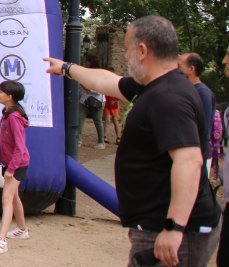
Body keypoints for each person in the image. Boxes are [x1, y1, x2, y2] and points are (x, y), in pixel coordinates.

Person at [45, 16, 222, 267]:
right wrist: (66, 67)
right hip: (155, 223)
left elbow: (190, 161)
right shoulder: (151, 86)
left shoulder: (169, 97)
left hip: (174, 229)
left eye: (128, 50)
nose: (127, 57)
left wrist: (174, 227)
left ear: (142, 51)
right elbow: (106, 81)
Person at [0, 80, 31, 254]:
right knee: (14, 197)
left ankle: (2, 240)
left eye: (1, 91)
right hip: (13, 163)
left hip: (17, 164)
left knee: (6, 199)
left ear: (9, 96)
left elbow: (20, 147)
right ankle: (22, 229)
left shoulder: (13, 117)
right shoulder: (8, 113)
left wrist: (12, 169)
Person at [179, 53, 216, 169]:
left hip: (199, 156)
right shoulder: (187, 91)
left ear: (191, 69)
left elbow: (204, 128)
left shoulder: (203, 93)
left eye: (179, 66)